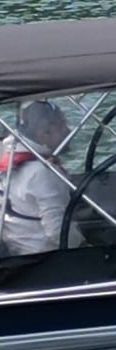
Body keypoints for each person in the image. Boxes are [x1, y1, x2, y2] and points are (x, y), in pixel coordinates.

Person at [0, 100, 74, 256]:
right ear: (44, 133)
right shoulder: (42, 173)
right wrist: (84, 245)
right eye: (62, 126)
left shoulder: (6, 154)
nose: (68, 131)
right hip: (42, 255)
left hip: (14, 247)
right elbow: (58, 231)